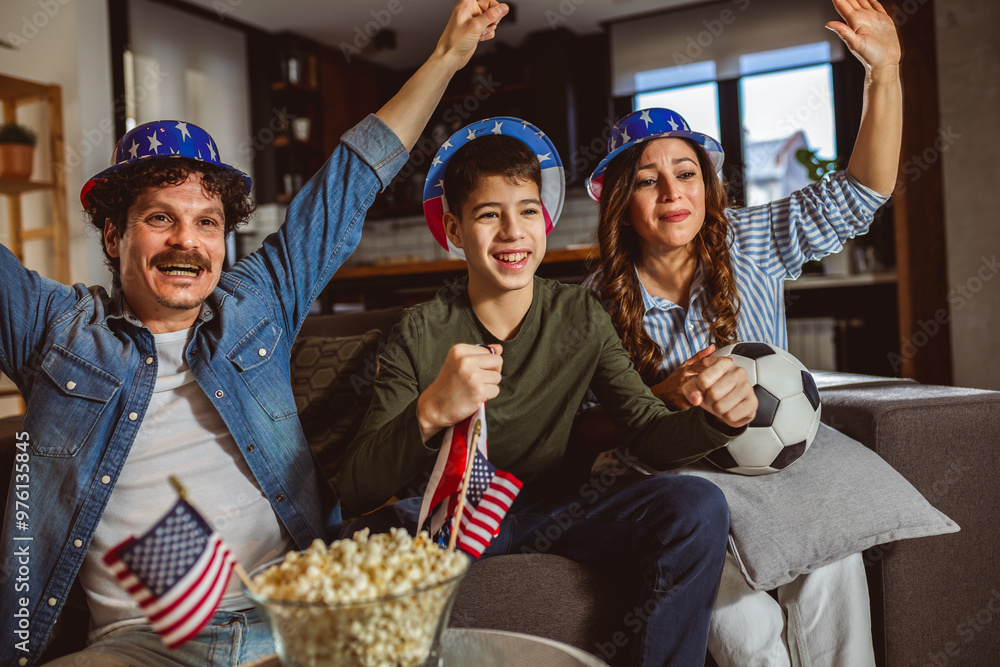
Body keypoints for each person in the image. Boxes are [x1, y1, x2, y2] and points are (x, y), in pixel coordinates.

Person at [0, 2, 510, 665]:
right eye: (160, 218)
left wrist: (446, 57)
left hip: (293, 617)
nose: (187, 241)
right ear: (113, 234)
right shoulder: (55, 328)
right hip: (143, 645)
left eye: (207, 222)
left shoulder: (255, 304)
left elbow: (352, 177)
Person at [337, 116, 758, 667]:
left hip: (562, 508)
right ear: (455, 229)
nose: (513, 232)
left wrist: (718, 421)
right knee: (355, 541)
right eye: (489, 214)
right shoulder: (419, 330)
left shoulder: (580, 313)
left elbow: (648, 432)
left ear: (546, 219)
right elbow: (356, 486)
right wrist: (431, 410)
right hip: (452, 517)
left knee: (698, 503)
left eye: (528, 211)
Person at [576, 1, 902, 665]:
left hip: (778, 468)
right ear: (620, 204)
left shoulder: (752, 241)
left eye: (686, 173)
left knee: (832, 562)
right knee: (747, 627)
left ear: (707, 184)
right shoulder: (594, 303)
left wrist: (885, 73)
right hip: (681, 487)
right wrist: (661, 396)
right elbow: (576, 431)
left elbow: (862, 192)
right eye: (647, 180)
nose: (673, 192)